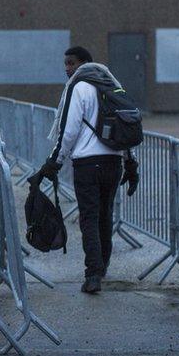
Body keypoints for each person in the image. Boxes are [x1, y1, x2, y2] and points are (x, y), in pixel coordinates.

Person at [29, 46, 138, 294]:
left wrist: (53, 163)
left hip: (88, 164)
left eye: (71, 63)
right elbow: (126, 129)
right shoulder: (111, 85)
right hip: (113, 163)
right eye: (65, 64)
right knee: (104, 217)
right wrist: (131, 163)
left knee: (89, 218)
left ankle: (93, 275)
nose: (67, 69)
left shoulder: (79, 88)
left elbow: (68, 130)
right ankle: (102, 266)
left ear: (84, 64)